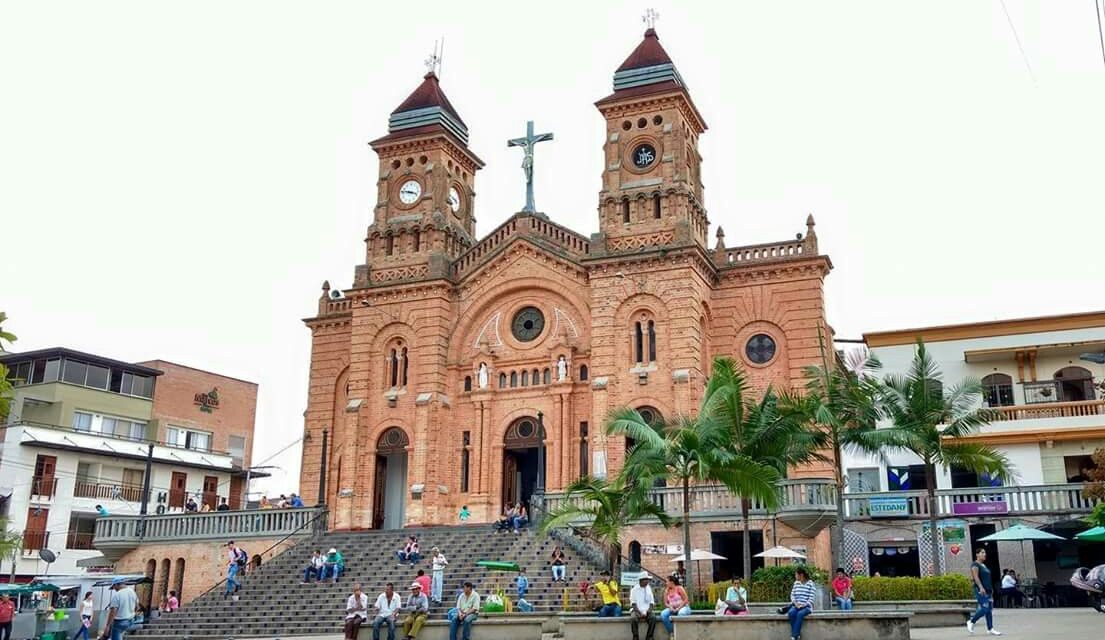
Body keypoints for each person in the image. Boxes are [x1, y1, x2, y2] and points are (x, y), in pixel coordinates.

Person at [968, 548, 1001, 635]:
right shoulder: (975, 565)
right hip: (980, 590)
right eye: (982, 552)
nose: (984, 554)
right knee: (985, 608)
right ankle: (971, 621)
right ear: (977, 554)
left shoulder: (984, 566)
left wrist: (991, 589)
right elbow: (976, 577)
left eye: (985, 552)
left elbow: (988, 579)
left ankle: (990, 628)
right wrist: (981, 587)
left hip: (988, 590)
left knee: (989, 610)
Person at [778, 567, 816, 640]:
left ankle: (794, 636)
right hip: (796, 605)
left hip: (807, 607)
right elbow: (792, 595)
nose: (795, 576)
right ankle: (796, 635)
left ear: (801, 575)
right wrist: (795, 603)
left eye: (796, 575)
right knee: (791, 613)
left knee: (800, 614)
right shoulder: (796, 583)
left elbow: (811, 598)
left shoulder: (811, 584)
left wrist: (803, 605)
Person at [629, 575, 657, 640]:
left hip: (647, 610)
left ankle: (649, 637)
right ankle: (635, 637)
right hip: (637, 610)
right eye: (646, 580)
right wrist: (639, 612)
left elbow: (652, 602)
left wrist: (649, 610)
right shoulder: (634, 589)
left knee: (653, 618)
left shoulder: (648, 588)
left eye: (648, 580)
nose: (647, 581)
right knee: (633, 619)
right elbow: (633, 603)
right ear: (641, 580)